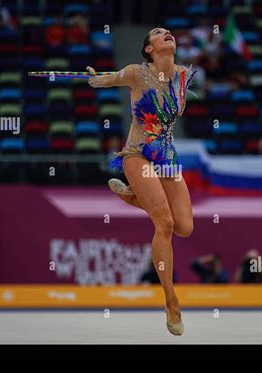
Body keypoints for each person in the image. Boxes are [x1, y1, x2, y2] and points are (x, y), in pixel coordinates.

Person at [86, 28, 197, 336]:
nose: (167, 34)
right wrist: (97, 78)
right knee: (165, 223)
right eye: (158, 34)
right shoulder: (136, 73)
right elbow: (108, 78)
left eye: (168, 32)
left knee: (185, 226)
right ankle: (171, 300)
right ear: (149, 49)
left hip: (167, 159)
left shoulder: (184, 75)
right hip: (138, 155)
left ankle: (135, 198)